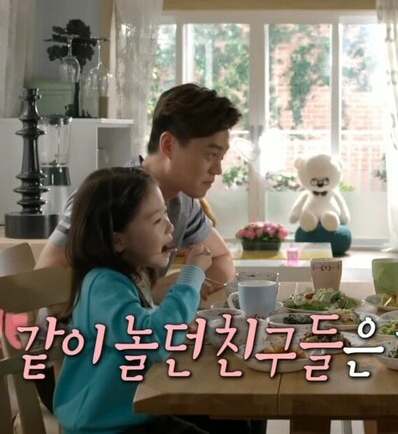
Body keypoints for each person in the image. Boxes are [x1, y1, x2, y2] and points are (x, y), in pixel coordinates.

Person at [53, 167, 259, 434]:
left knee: (239, 418)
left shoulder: (129, 276)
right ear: (118, 241)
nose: (171, 227)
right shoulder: (102, 285)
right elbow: (155, 340)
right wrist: (191, 276)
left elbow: (146, 325)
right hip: (105, 426)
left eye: (166, 214)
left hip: (137, 412)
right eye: (157, 220)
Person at [35, 83, 242, 303]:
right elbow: (42, 285)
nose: (218, 170)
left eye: (221, 158)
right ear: (169, 145)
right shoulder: (110, 195)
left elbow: (221, 259)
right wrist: (148, 292)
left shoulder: (183, 201)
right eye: (211, 155)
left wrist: (185, 288)